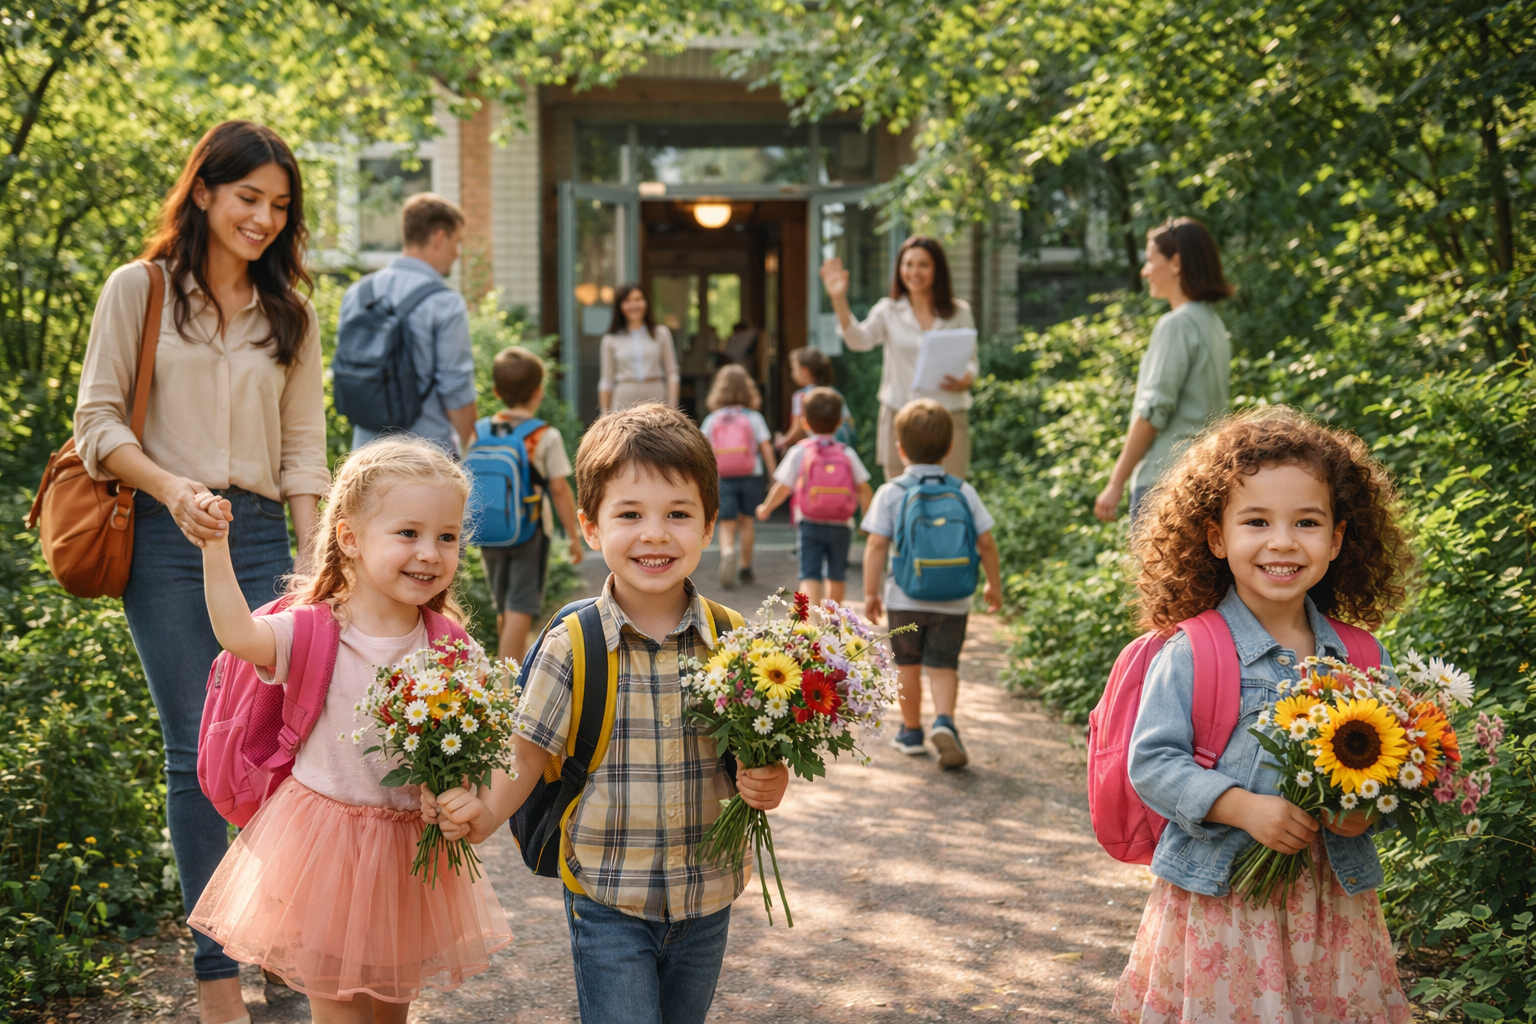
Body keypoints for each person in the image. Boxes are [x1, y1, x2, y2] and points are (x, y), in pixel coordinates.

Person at [72, 120, 328, 1024]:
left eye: (279, 205)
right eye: (248, 197)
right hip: (166, 539)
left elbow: (305, 454)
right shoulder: (137, 292)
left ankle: (285, 961)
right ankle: (219, 979)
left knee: (281, 754)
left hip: (263, 540)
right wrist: (174, 490)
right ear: (207, 192)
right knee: (196, 757)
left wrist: (313, 559)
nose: (262, 218)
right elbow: (97, 426)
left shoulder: (291, 315)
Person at [422, 402, 791, 1024]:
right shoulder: (574, 644)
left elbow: (750, 755)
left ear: (708, 526)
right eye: (630, 514)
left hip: (708, 895)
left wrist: (768, 780)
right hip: (606, 894)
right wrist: (481, 815)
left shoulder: (735, 641)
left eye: (678, 514)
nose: (654, 534)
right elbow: (527, 752)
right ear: (591, 527)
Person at [185, 438, 513, 1021]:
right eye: (408, 533)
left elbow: (474, 755)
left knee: (391, 1011)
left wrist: (463, 797)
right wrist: (215, 550)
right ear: (350, 539)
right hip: (323, 850)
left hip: (404, 853)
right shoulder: (311, 629)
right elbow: (238, 635)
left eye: (447, 536)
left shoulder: (451, 647)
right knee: (336, 1010)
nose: (430, 553)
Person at [1114, 407, 1413, 1023]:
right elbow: (1152, 761)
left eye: (1306, 522)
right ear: (1216, 537)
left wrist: (1362, 813)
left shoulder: (1361, 655)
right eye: (1256, 521)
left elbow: (1395, 770)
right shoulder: (1195, 650)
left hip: (1334, 910)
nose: (1282, 541)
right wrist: (1240, 806)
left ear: (1335, 539)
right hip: (1226, 906)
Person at [861, 399, 1002, 769]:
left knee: (907, 664)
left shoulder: (891, 492)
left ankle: (911, 732)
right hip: (954, 599)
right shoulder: (964, 490)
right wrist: (993, 585)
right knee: (943, 665)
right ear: (950, 448)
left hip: (905, 596)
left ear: (901, 449)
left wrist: (871, 592)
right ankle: (945, 721)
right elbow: (986, 542)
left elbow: (876, 543)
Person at [1094, 216, 1233, 523]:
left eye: (1149, 261)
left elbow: (1151, 415)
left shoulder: (1176, 325)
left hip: (1164, 481)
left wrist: (1115, 482)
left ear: (1176, 263)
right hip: (1207, 477)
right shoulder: (1213, 323)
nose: (1144, 272)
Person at [820, 235, 976, 481]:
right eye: (908, 264)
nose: (914, 271)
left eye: (923, 264)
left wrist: (967, 378)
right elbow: (858, 341)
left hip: (947, 413)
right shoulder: (888, 310)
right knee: (899, 497)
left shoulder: (959, 312)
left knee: (951, 493)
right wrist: (838, 299)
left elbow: (971, 361)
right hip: (899, 413)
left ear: (938, 269)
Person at [344, 193, 478, 456]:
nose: (457, 253)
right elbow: (455, 387)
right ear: (440, 238)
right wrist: (475, 446)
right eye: (457, 242)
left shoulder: (358, 294)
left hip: (364, 457)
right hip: (425, 461)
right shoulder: (445, 302)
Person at [475, 346, 583, 663]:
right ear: (539, 391)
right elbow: (560, 489)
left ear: (496, 391)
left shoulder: (479, 430)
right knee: (521, 606)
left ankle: (516, 668)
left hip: (488, 529)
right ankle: (506, 688)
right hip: (530, 530)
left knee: (505, 606)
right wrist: (574, 536)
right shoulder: (544, 435)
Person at [756, 387, 874, 605]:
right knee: (837, 575)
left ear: (804, 422)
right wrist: (867, 520)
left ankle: (809, 624)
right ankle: (832, 622)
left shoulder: (799, 451)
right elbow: (864, 489)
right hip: (842, 524)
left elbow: (782, 488)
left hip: (809, 523)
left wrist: (766, 507)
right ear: (839, 422)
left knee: (810, 574)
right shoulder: (846, 452)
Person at [700, 365, 776, 590]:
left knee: (726, 522)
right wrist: (773, 475)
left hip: (724, 476)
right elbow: (766, 448)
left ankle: (727, 554)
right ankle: (745, 567)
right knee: (746, 521)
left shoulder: (713, 419)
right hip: (751, 474)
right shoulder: (753, 417)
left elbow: (703, 450)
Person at [598, 283, 680, 413]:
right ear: (620, 306)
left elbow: (672, 373)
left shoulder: (661, 333)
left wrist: (673, 406)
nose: (633, 305)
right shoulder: (610, 339)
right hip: (623, 403)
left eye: (638, 299)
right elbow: (606, 380)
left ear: (646, 302)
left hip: (656, 401)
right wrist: (604, 415)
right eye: (627, 301)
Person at [773, 346, 856, 452]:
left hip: (817, 451)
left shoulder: (801, 396)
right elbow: (849, 422)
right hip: (840, 450)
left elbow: (797, 431)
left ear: (805, 370)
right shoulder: (834, 393)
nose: (792, 374)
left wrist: (782, 441)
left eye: (794, 369)